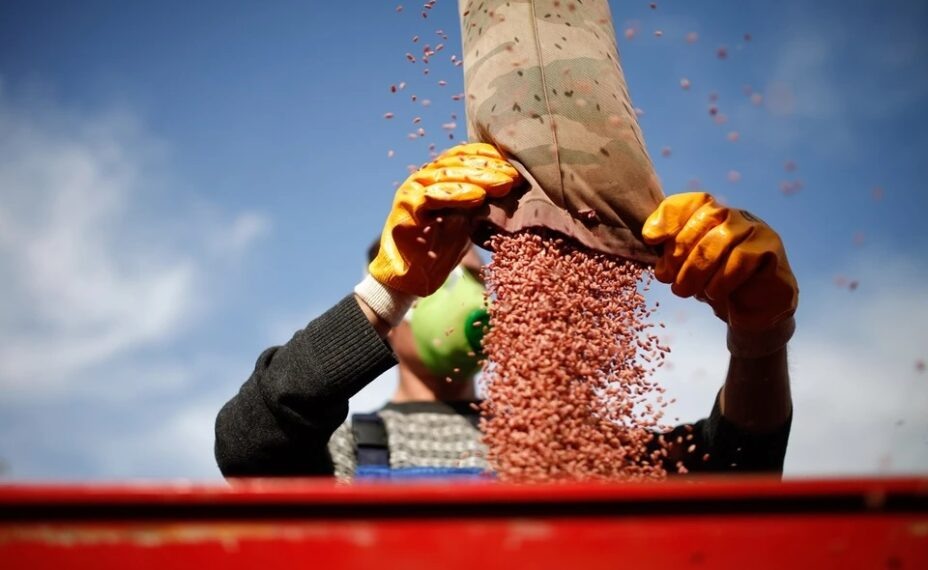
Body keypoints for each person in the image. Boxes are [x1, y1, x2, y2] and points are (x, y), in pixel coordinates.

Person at [215, 143, 797, 480]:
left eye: (484, 276)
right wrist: (383, 294)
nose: (476, 292)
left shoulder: (571, 443)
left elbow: (738, 469)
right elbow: (250, 441)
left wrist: (760, 339)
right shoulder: (351, 452)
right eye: (445, 277)